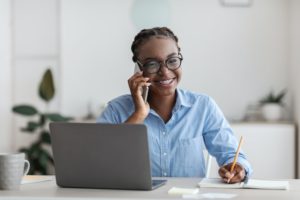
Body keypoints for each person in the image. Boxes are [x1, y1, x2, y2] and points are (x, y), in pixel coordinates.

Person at [98, 27, 252, 183]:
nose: (165, 72)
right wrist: (138, 115)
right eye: (152, 64)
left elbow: (231, 154)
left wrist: (237, 168)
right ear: (138, 69)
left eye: (172, 60)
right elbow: (99, 162)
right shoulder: (116, 110)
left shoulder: (203, 106)